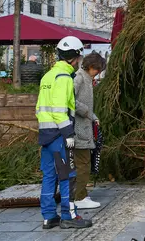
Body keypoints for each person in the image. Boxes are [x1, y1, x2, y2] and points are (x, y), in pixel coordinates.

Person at [36, 36, 92, 230]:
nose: (79, 62)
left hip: (45, 134)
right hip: (60, 136)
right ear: (73, 58)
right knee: (68, 176)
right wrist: (69, 133)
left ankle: (49, 217)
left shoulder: (47, 76)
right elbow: (59, 110)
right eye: (79, 58)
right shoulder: (64, 78)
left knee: (49, 176)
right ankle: (68, 216)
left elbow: (40, 108)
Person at [73, 51, 107, 210]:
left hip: (84, 128)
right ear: (92, 67)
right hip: (78, 130)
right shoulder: (79, 79)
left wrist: (94, 117)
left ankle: (81, 195)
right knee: (83, 164)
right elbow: (69, 100)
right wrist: (87, 113)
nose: (98, 74)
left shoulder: (86, 79)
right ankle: (79, 198)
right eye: (97, 70)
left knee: (83, 163)